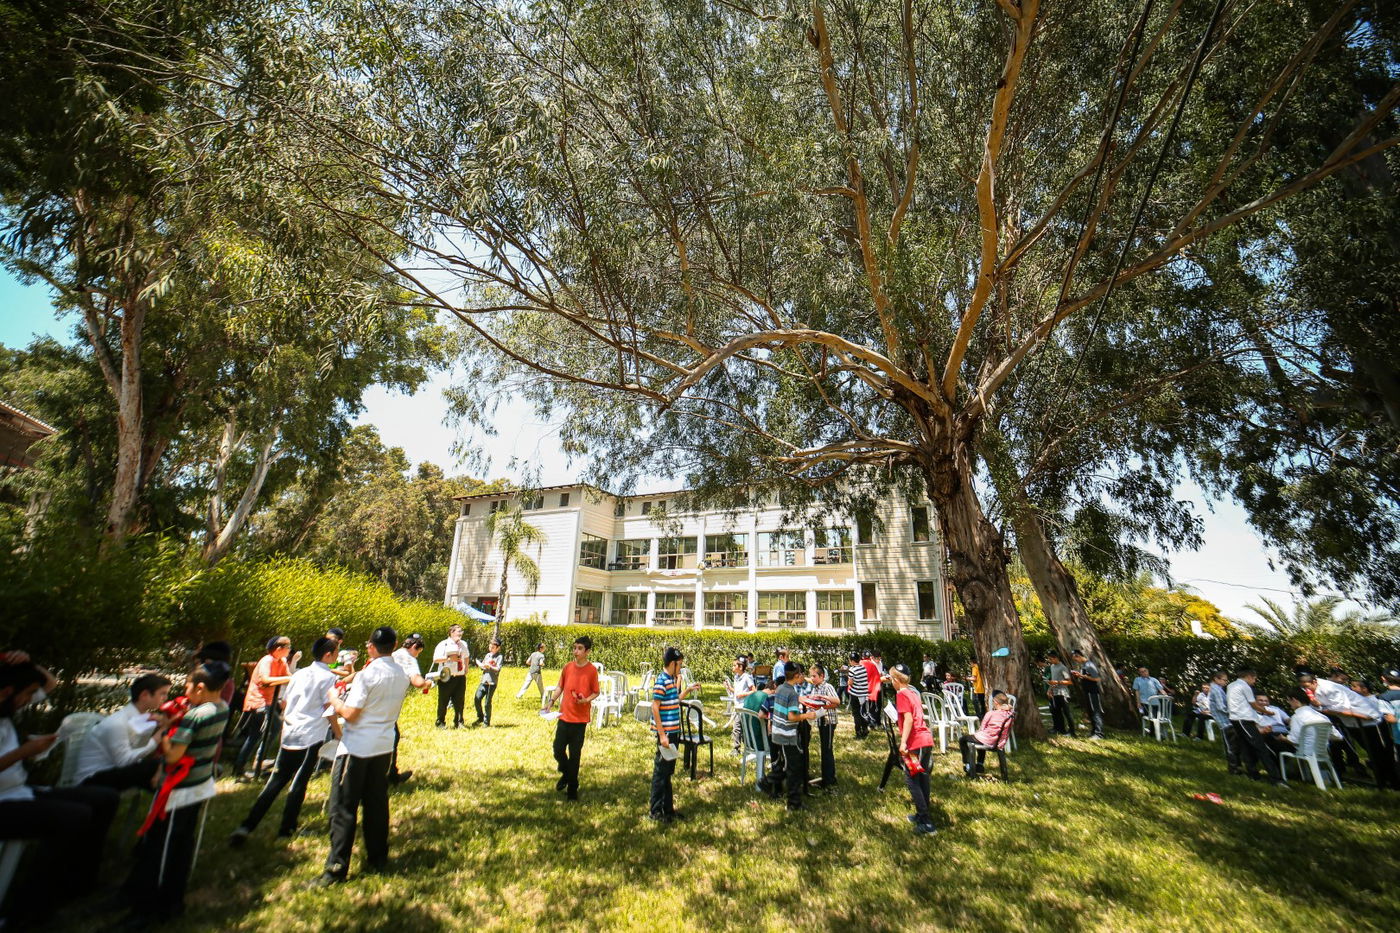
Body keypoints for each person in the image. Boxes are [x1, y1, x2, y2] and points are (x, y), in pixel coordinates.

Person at [0, 656, 120, 926]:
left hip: (20, 791)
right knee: (73, 817)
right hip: (4, 802)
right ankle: (26, 912)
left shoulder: (7, 708)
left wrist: (28, 662)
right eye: (27, 695)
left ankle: (79, 884)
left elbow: (50, 683)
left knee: (104, 799)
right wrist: (24, 752)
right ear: (7, 692)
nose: (29, 700)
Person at [123, 660, 231, 925]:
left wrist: (164, 732)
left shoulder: (196, 716)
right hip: (199, 785)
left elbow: (172, 757)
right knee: (182, 845)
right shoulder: (222, 708)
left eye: (188, 686)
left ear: (201, 687)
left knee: (162, 848)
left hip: (180, 789)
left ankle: (148, 909)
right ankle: (174, 901)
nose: (185, 691)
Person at [314, 625, 410, 886]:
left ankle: (335, 868)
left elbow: (351, 714)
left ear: (370, 646)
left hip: (356, 748)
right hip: (382, 747)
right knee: (377, 804)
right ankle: (378, 857)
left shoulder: (368, 675)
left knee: (343, 807)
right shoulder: (401, 674)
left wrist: (334, 698)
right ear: (396, 644)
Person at [230, 638, 342, 846]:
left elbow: (284, 702)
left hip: (290, 732)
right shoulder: (327, 677)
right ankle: (286, 829)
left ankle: (246, 826)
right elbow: (329, 709)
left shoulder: (299, 674)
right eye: (336, 652)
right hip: (311, 735)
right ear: (328, 655)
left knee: (276, 781)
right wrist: (338, 734)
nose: (336, 656)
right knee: (299, 783)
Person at [74, 673, 171, 790]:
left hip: (110, 772)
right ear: (145, 695)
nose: (166, 698)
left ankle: (166, 800)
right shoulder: (117, 723)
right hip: (91, 780)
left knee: (162, 766)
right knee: (155, 766)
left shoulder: (141, 717)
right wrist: (159, 735)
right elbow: (124, 762)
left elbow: (136, 752)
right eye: (163, 694)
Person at [1304, 671, 1397, 790]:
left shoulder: (1330, 688)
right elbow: (1326, 709)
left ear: (1314, 681)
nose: (1306, 688)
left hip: (1371, 722)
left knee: (1381, 752)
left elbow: (1343, 709)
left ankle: (1393, 782)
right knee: (1372, 753)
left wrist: (1323, 708)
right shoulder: (1315, 693)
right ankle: (1383, 781)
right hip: (1353, 724)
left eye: (1307, 685)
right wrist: (1320, 707)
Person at [649, 646, 699, 823]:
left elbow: (674, 700)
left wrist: (687, 691)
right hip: (667, 735)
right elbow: (655, 707)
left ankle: (668, 810)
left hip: (674, 733)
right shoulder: (662, 681)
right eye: (679, 665)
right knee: (660, 773)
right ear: (672, 664)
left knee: (668, 772)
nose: (681, 668)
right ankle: (655, 812)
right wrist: (662, 735)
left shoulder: (671, 680)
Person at [546, 636, 599, 801]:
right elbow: (560, 686)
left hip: (580, 720)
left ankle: (572, 790)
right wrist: (551, 701)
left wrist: (585, 700)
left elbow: (596, 692)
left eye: (580, 648)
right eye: (575, 647)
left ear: (587, 651)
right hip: (564, 717)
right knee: (558, 749)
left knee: (575, 755)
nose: (576, 651)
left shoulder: (591, 670)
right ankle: (566, 773)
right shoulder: (567, 667)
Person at [233, 635, 293, 778]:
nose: (289, 650)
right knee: (256, 735)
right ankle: (240, 768)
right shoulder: (267, 660)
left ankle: (259, 761)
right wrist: (288, 678)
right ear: (279, 649)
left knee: (274, 728)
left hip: (269, 702)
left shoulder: (282, 661)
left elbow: (289, 677)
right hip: (258, 702)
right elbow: (265, 679)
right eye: (288, 647)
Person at [889, 664, 936, 835]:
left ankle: (926, 821)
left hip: (915, 742)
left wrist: (903, 743)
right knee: (921, 778)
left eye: (891, 679)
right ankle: (921, 813)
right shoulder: (912, 692)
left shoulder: (901, 694)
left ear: (896, 680)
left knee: (912, 780)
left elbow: (909, 720)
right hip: (925, 740)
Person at [769, 661, 818, 811]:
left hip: (777, 732)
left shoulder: (781, 688)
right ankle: (793, 803)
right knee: (793, 769)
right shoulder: (792, 693)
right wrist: (809, 715)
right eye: (800, 674)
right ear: (796, 676)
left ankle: (775, 790)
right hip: (787, 734)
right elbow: (792, 716)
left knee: (786, 765)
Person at [1226, 669, 1284, 785]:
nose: (1254, 681)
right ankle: (1275, 779)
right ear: (1249, 676)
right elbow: (1253, 705)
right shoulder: (1245, 687)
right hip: (1244, 720)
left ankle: (1253, 774)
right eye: (1254, 678)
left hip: (1236, 718)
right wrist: (1267, 712)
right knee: (1260, 747)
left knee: (1245, 746)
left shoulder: (1231, 685)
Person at [387, 633, 427, 785]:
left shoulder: (393, 654)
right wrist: (426, 683)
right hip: (390, 706)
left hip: (377, 702)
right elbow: (417, 681)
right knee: (393, 737)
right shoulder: (409, 658)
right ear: (414, 647)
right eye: (418, 652)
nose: (417, 656)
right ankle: (390, 775)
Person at [960, 692, 1015, 777]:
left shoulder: (991, 713)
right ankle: (979, 764)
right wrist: (1001, 745)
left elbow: (982, 728)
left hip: (986, 739)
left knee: (963, 739)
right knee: (979, 739)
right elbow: (1005, 733)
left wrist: (977, 733)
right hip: (996, 742)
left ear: (995, 702)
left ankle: (968, 765)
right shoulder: (1010, 715)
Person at [807, 663, 841, 791]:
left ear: (821, 676)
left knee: (827, 750)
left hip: (829, 722)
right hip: (821, 721)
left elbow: (837, 702)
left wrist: (823, 701)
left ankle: (829, 779)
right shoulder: (814, 687)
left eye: (814, 676)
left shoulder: (827, 687)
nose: (812, 678)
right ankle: (826, 776)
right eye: (811, 676)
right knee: (824, 749)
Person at [433, 624, 470, 728]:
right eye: (458, 631)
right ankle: (440, 722)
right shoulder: (443, 644)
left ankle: (459, 722)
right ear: (451, 632)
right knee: (443, 700)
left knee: (459, 700)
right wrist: (449, 659)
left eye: (461, 631)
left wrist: (466, 667)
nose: (460, 633)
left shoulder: (463, 644)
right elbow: (436, 659)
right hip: (447, 675)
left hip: (460, 676)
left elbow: (466, 656)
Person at [1070, 649, 1105, 739]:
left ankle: (1099, 733)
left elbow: (1097, 679)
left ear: (1078, 656)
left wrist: (1082, 676)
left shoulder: (1089, 665)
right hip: (1087, 692)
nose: (1075, 661)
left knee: (1095, 712)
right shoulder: (1084, 665)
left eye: (1075, 659)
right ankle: (1094, 731)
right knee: (1090, 712)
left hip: (1093, 692)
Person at [1044, 651, 1075, 737]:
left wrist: (1057, 682)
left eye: (1051, 659)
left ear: (1056, 658)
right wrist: (1050, 689)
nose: (1050, 661)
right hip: (1055, 692)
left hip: (1063, 693)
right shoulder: (1052, 667)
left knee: (1067, 712)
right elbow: (1053, 680)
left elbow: (1069, 682)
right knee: (1056, 711)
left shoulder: (1063, 668)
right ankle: (1059, 729)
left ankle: (1072, 732)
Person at [474, 638, 504, 726]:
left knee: (487, 703)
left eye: (493, 647)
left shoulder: (499, 657)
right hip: (483, 681)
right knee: (477, 699)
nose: (491, 648)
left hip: (491, 683)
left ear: (498, 648)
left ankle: (486, 722)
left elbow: (498, 669)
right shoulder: (487, 655)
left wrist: (490, 667)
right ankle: (480, 717)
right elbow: (483, 665)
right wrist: (481, 665)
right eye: (490, 646)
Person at [730, 657, 756, 753]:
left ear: (740, 667)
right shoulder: (736, 677)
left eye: (734, 665)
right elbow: (737, 692)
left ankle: (746, 748)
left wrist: (743, 695)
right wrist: (729, 688)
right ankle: (737, 748)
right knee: (737, 728)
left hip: (744, 707)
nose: (732, 667)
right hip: (737, 706)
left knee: (742, 728)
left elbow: (754, 691)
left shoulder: (747, 677)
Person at [846, 652, 870, 738]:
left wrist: (848, 681)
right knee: (863, 713)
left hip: (855, 694)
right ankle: (865, 729)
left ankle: (858, 732)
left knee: (856, 714)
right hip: (864, 694)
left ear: (852, 661)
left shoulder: (852, 670)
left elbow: (850, 683)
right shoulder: (863, 668)